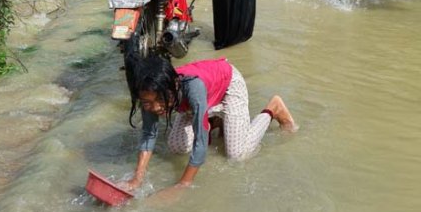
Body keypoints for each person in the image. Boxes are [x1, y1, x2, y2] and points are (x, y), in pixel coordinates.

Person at [121, 56, 297, 196]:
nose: (156, 107)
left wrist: (183, 184)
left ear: (174, 86)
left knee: (237, 155)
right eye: (147, 103)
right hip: (201, 99)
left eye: (161, 100)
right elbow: (149, 135)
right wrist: (137, 179)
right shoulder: (148, 93)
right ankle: (216, 119)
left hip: (228, 85)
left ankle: (273, 109)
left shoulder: (192, 87)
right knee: (176, 146)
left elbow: (201, 141)